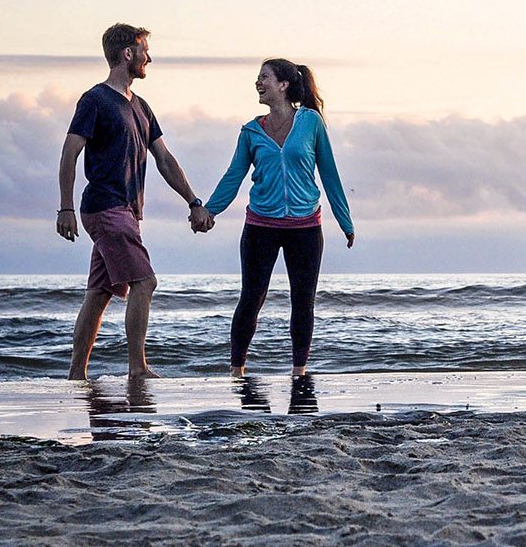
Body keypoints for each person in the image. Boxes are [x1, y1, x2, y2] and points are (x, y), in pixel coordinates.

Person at [57, 24, 213, 380]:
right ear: (127, 53)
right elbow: (70, 152)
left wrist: (193, 201)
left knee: (99, 292)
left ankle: (76, 374)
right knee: (145, 282)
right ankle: (137, 369)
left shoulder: (141, 107)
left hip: (126, 211)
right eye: (144, 50)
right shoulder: (95, 100)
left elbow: (164, 159)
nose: (149, 57)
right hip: (105, 208)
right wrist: (65, 207)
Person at [204, 59, 354, 378]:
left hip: (305, 227)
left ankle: (299, 372)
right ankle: (237, 371)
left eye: (264, 78)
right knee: (251, 299)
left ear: (283, 85)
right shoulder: (250, 131)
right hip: (261, 226)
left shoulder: (311, 122)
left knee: (303, 302)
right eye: (257, 78)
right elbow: (234, 176)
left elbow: (328, 172)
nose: (258, 83)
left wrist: (345, 220)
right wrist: (209, 210)